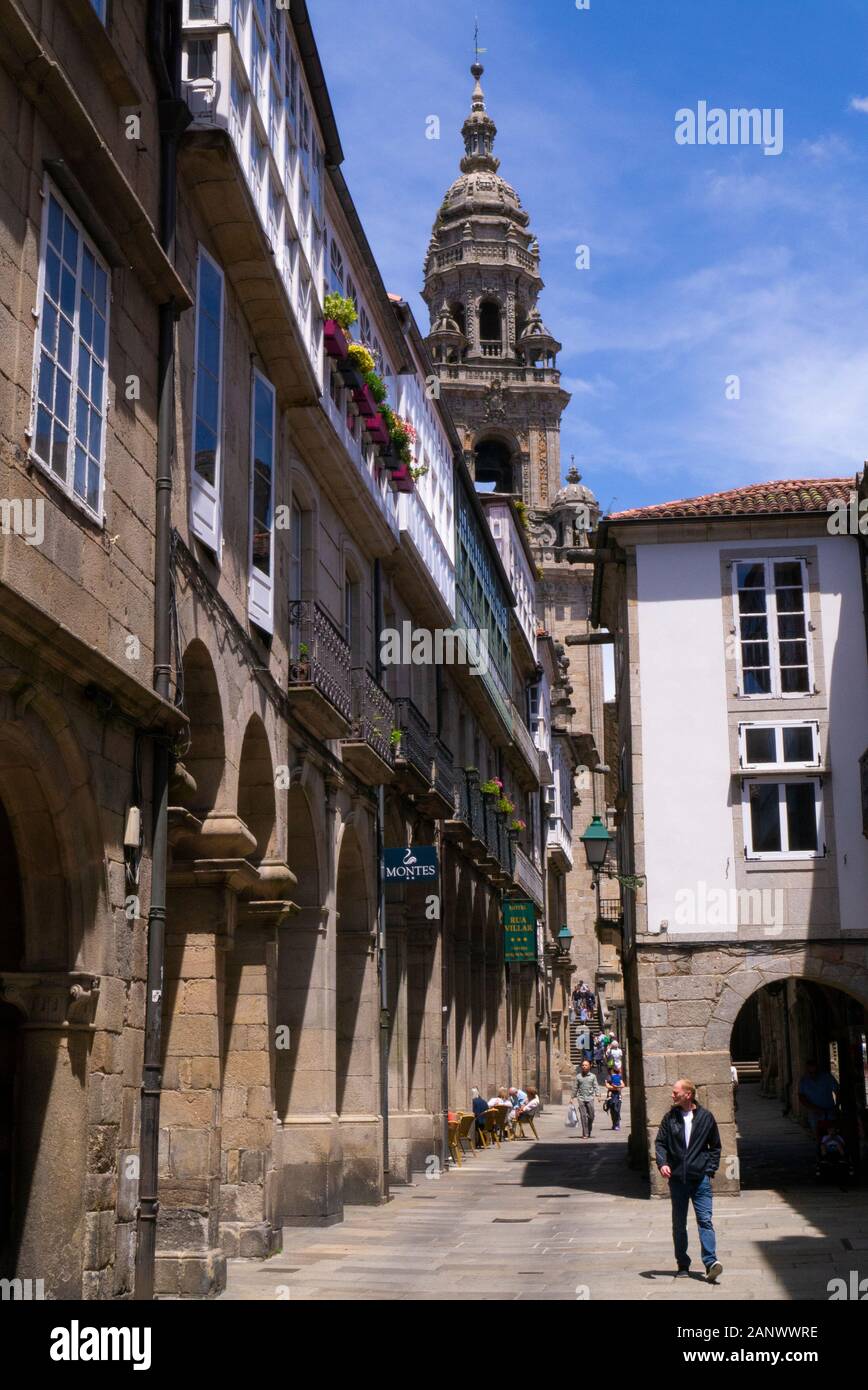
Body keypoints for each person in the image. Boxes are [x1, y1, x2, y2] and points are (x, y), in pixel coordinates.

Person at [655, 1078, 722, 1283]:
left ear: (688, 1094)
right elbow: (660, 1143)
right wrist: (662, 1163)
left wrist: (709, 1170)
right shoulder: (670, 1118)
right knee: (679, 1224)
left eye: (676, 1092)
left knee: (705, 1220)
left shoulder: (705, 1117)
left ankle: (711, 1263)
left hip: (699, 1179)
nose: (672, 1095)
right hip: (677, 1180)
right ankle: (682, 1264)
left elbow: (715, 1147)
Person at [798, 1061, 839, 1138]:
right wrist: (814, 1108)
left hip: (829, 1111)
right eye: (810, 1072)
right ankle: (820, 1147)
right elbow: (801, 1097)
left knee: (832, 1134)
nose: (813, 1075)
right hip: (815, 1114)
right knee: (818, 1135)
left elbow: (837, 1091)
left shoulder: (827, 1077)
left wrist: (837, 1106)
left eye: (814, 1072)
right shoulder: (804, 1081)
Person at [574, 1059, 603, 1137]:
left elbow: (596, 1086)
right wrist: (572, 1097)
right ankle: (585, 1133)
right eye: (583, 1065)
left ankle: (589, 1128)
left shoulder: (593, 1076)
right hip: (581, 1098)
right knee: (583, 1116)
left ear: (589, 1066)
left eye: (586, 1065)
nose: (584, 1066)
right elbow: (575, 1087)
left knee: (591, 1115)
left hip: (590, 1098)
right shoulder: (578, 1076)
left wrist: (598, 1095)